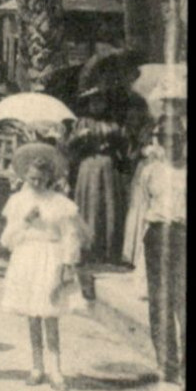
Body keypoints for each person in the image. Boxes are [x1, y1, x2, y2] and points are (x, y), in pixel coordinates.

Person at [0, 143, 85, 391]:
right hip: (26, 258)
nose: (36, 183)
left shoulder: (60, 203)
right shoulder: (17, 201)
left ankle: (56, 370)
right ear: (25, 176)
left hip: (51, 256)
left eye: (41, 178)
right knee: (32, 314)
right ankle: (37, 367)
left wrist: (67, 264)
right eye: (32, 178)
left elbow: (70, 236)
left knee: (50, 313)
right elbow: (6, 240)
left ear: (50, 178)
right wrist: (26, 221)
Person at [128, 119, 186, 384]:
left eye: (176, 138)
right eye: (165, 139)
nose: (170, 144)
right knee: (159, 302)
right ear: (160, 142)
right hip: (156, 235)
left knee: (182, 302)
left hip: (182, 235)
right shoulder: (150, 171)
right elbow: (141, 209)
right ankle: (167, 365)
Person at [67, 89, 130, 267]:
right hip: (89, 167)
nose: (97, 105)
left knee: (108, 206)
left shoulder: (113, 123)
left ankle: (108, 250)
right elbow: (70, 146)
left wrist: (115, 138)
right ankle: (89, 249)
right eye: (94, 102)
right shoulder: (82, 122)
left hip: (109, 167)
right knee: (91, 204)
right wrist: (80, 137)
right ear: (88, 104)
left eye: (100, 101)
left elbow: (124, 146)